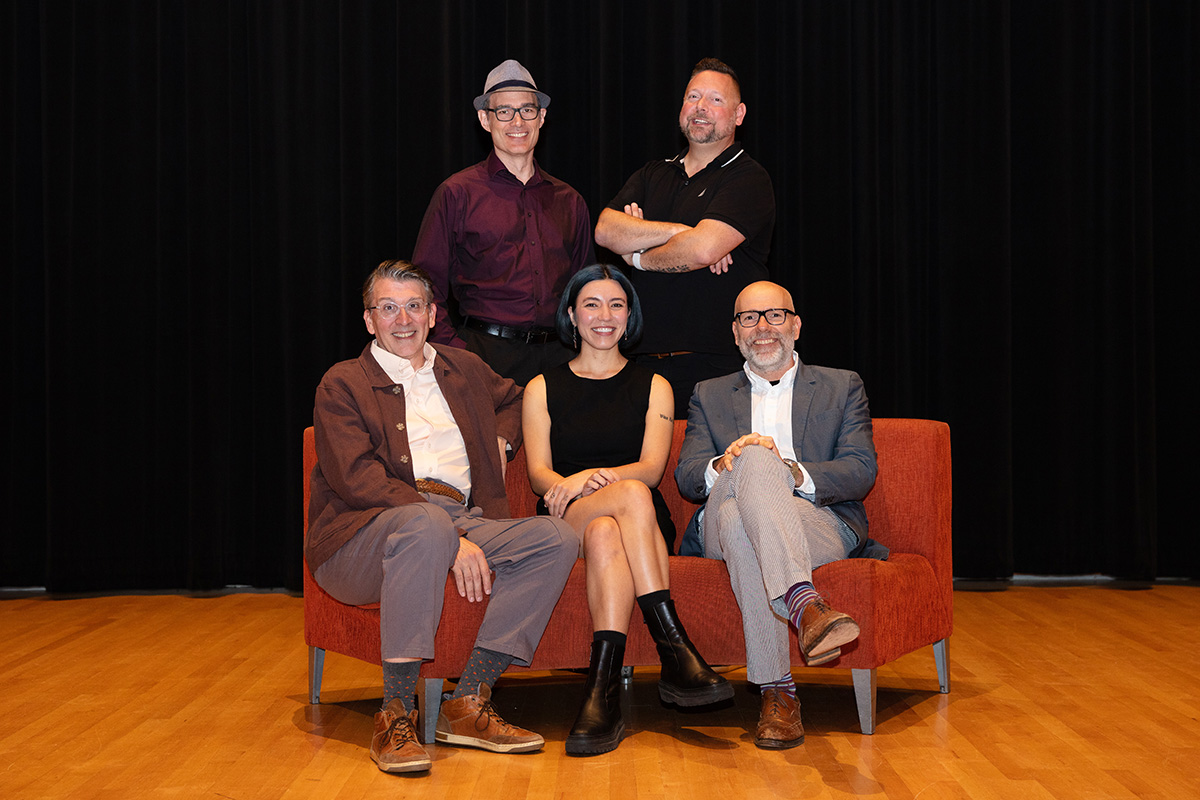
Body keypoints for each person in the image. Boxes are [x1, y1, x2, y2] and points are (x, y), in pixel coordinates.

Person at [306, 260, 580, 774]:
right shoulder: (342, 383)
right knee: (425, 525)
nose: (402, 319)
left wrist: (503, 437)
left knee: (557, 538)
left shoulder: (462, 367)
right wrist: (448, 533)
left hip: (459, 516)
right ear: (369, 321)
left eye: (414, 306)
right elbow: (357, 478)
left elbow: (516, 398)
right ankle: (394, 713)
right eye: (388, 308)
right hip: (360, 535)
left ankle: (468, 700)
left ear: (433, 314)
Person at [522, 264, 732, 755]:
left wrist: (598, 482)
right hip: (564, 511)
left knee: (608, 529)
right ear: (572, 315)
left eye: (617, 304)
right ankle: (674, 649)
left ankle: (601, 693)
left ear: (630, 315)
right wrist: (574, 483)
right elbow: (539, 474)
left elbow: (653, 469)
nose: (604, 315)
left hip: (635, 519)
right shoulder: (541, 387)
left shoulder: (655, 384)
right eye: (591, 304)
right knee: (615, 506)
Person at [674, 280, 885, 750]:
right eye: (749, 318)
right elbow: (688, 477)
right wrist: (730, 462)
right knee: (750, 458)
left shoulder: (840, 385)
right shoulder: (708, 394)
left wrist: (789, 471)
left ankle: (778, 692)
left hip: (817, 520)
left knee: (738, 522)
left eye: (774, 315)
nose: (762, 328)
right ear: (735, 333)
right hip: (722, 506)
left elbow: (859, 470)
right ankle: (804, 604)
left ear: (796, 325)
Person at [594, 57, 775, 417]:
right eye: (693, 97)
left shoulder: (748, 178)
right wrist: (681, 232)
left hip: (718, 368)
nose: (701, 107)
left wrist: (639, 255)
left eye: (715, 100)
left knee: (719, 472)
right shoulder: (652, 174)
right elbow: (605, 230)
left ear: (739, 114)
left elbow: (703, 249)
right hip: (641, 363)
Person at [413, 58, 595, 386]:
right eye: (504, 111)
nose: (517, 121)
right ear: (485, 119)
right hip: (483, 358)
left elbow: (585, 289)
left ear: (541, 117)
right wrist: (455, 353)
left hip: (560, 359)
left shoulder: (570, 201)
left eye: (526, 110)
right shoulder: (456, 193)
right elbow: (425, 287)